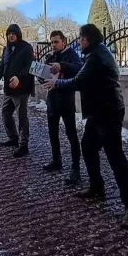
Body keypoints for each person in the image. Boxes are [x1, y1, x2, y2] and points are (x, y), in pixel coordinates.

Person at [43, 24, 128, 228]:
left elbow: (79, 80)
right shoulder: (96, 52)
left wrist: (56, 83)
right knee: (88, 147)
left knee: (116, 158)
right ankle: (97, 187)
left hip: (108, 112)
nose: (79, 41)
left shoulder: (96, 56)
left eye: (81, 38)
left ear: (88, 39)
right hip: (99, 111)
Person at [42, 30, 82, 185]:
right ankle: (56, 160)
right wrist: (41, 77)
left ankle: (75, 168)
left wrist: (62, 66)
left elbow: (79, 69)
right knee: (52, 133)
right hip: (52, 101)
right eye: (51, 42)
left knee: (71, 135)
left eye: (56, 42)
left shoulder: (72, 54)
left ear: (64, 42)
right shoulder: (49, 57)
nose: (53, 45)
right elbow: (43, 76)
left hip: (66, 101)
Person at [0, 24, 34, 157]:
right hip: (9, 88)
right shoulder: (6, 49)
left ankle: (23, 145)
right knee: (6, 113)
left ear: (18, 34)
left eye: (14, 33)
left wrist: (19, 77)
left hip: (22, 88)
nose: (11, 35)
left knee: (22, 116)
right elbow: (3, 67)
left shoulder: (26, 48)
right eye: (9, 33)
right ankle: (13, 138)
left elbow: (29, 66)